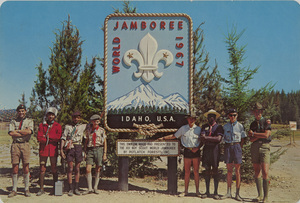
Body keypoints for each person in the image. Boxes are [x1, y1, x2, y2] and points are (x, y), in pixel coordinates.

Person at [158, 111, 201, 197]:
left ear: (195, 119)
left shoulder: (199, 129)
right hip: (187, 151)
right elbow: (174, 136)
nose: (191, 120)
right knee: (187, 172)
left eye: (193, 118)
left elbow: (202, 140)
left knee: (196, 171)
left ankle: (197, 191)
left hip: (196, 151)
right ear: (187, 119)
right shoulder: (183, 128)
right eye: (190, 118)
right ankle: (186, 191)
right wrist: (163, 138)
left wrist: (198, 148)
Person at [8, 104, 34, 198]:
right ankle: (14, 189)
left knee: (26, 166)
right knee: (15, 166)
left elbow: (29, 132)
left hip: (25, 144)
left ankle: (26, 188)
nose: (21, 112)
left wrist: (17, 131)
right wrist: (22, 132)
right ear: (17, 112)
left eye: (23, 111)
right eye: (19, 111)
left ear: (25, 111)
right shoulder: (13, 121)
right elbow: (11, 133)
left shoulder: (29, 121)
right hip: (15, 145)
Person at [248, 102, 271, 202]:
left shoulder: (266, 121)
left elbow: (267, 135)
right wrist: (257, 135)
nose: (258, 113)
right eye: (256, 111)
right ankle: (260, 195)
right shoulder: (252, 124)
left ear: (262, 112)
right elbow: (251, 139)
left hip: (265, 147)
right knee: (257, 171)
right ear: (254, 112)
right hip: (255, 147)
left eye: (259, 111)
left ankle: (266, 197)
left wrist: (255, 134)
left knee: (265, 172)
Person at [36, 107, 62, 196]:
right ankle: (41, 188)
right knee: (42, 169)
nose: (50, 116)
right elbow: (39, 137)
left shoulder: (57, 126)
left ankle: (55, 188)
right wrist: (48, 138)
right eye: (49, 114)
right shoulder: (41, 125)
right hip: (44, 150)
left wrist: (47, 137)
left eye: (52, 115)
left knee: (54, 168)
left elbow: (58, 137)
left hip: (53, 150)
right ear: (46, 115)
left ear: (54, 116)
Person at [222, 108, 246, 201]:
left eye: (234, 115)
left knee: (237, 171)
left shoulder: (240, 126)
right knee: (229, 170)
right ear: (228, 116)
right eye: (231, 115)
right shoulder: (225, 126)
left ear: (237, 116)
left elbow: (243, 138)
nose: (232, 117)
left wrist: (239, 148)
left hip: (236, 147)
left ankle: (237, 193)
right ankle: (228, 192)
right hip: (228, 147)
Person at [61, 111, 87, 196]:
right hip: (70, 147)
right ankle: (70, 188)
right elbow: (63, 138)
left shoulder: (83, 126)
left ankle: (76, 188)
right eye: (74, 117)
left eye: (78, 117)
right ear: (72, 118)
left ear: (80, 118)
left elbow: (94, 124)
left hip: (78, 146)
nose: (76, 119)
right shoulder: (68, 127)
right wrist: (61, 150)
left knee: (77, 168)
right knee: (70, 168)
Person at [200, 109, 224, 200]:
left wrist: (206, 137)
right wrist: (209, 138)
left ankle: (216, 192)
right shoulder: (204, 126)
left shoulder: (219, 127)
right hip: (206, 150)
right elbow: (202, 139)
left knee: (215, 170)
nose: (211, 118)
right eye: (209, 116)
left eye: (213, 116)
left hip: (215, 150)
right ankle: (207, 191)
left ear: (215, 118)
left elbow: (218, 139)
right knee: (206, 170)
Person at [83, 114, 107, 195]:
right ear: (91, 122)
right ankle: (89, 188)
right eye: (94, 121)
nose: (96, 123)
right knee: (88, 169)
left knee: (98, 168)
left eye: (97, 121)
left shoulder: (101, 130)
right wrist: (85, 152)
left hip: (99, 149)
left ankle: (95, 187)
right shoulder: (88, 130)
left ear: (99, 122)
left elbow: (105, 143)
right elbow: (86, 142)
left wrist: (104, 154)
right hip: (90, 150)